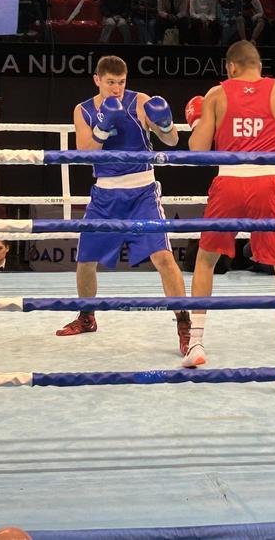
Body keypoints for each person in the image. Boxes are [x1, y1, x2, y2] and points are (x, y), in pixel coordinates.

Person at [184, 40, 275, 389]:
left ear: (232, 67)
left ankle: (195, 344)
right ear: (258, 63)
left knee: (206, 261)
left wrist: (195, 120)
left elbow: (197, 150)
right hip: (270, 181)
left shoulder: (217, 94)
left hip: (229, 181)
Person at [56, 56, 190, 355]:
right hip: (105, 194)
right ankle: (87, 317)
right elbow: (85, 152)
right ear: (97, 80)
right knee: (86, 260)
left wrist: (166, 122)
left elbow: (171, 140)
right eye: (110, 83)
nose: (116, 89)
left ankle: (184, 323)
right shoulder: (84, 110)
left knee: (163, 258)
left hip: (142, 190)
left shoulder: (140, 101)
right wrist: (102, 127)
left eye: (121, 82)